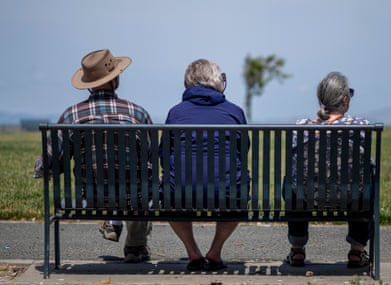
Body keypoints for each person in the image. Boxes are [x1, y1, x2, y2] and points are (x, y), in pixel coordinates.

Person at [34, 49, 153, 263]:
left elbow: (53, 160)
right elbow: (151, 158)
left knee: (131, 185)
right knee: (140, 184)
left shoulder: (72, 115)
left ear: (88, 83)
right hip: (134, 197)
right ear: (115, 78)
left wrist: (42, 167)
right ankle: (136, 247)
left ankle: (117, 225)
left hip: (88, 198)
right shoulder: (138, 114)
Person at [161, 59, 249, 271]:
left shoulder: (176, 113)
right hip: (228, 194)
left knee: (170, 189)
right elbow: (243, 152)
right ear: (217, 81)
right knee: (237, 187)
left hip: (180, 194)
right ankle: (215, 251)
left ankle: (193, 252)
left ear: (189, 83)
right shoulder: (234, 112)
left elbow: (163, 154)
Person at [286, 71, 371, 268]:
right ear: (346, 99)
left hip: (307, 196)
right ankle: (357, 252)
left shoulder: (301, 126)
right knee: (366, 182)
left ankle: (297, 249)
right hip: (351, 197)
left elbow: (295, 162)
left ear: (320, 99)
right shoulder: (361, 126)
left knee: (293, 184)